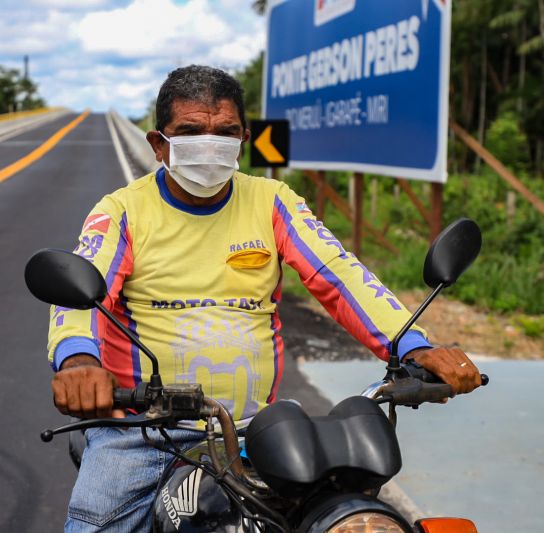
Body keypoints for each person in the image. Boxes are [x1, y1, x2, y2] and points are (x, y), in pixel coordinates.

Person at [47, 65, 482, 532]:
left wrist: (413, 346)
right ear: (159, 145)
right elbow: (80, 294)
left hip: (253, 430)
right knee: (97, 522)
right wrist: (77, 364)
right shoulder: (122, 212)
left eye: (226, 133)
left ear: (243, 139)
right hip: (145, 433)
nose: (210, 146)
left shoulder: (272, 201)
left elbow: (338, 276)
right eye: (191, 132)